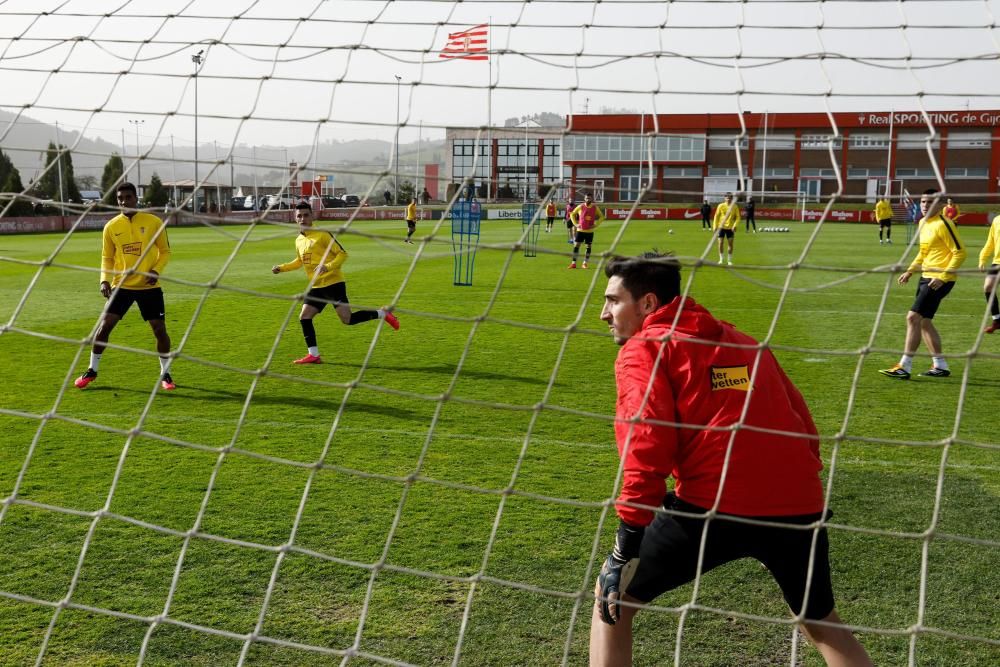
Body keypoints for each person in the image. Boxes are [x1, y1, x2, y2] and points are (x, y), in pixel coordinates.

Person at [590, 252, 874, 667]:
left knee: (611, 598)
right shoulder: (742, 340)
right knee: (821, 620)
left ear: (648, 304)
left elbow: (645, 443)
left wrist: (626, 544)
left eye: (613, 300)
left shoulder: (644, 349)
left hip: (712, 507)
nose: (603, 314)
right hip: (799, 506)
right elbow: (802, 422)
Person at [74, 182, 176, 391]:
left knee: (159, 330)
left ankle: (165, 374)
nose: (124, 201)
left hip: (149, 286)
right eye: (120, 198)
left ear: (135, 198)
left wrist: (155, 271)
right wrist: (104, 280)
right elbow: (107, 257)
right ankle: (92, 370)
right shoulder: (111, 226)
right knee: (104, 327)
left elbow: (165, 251)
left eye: (128, 197)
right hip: (121, 286)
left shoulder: (153, 222)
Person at [271, 203, 400, 364]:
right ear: (295, 218)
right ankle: (314, 355)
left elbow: (342, 254)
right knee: (304, 317)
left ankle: (383, 313)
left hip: (333, 283)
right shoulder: (298, 240)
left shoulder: (322, 234)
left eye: (306, 215)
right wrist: (281, 268)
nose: (302, 218)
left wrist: (327, 266)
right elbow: (299, 262)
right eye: (299, 216)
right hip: (316, 287)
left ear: (312, 216)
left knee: (347, 319)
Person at [879, 190, 966, 379]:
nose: (925, 205)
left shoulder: (945, 224)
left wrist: (943, 276)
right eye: (923, 201)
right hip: (926, 276)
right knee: (924, 322)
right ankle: (940, 365)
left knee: (912, 318)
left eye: (930, 202)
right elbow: (924, 252)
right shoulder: (922, 222)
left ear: (940, 204)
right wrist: (910, 270)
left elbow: (960, 252)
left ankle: (904, 366)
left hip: (940, 280)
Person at [568, 193, 605, 269]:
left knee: (588, 247)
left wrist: (596, 224)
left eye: (589, 198)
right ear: (584, 199)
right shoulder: (580, 206)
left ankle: (585, 263)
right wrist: (575, 224)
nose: (588, 199)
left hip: (589, 231)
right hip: (580, 231)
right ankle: (573, 263)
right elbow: (572, 214)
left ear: (592, 199)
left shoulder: (595, 207)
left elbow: (602, 217)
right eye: (587, 198)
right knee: (576, 246)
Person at [979, 213, 1000, 334]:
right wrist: (982, 258)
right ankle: (997, 320)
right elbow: (990, 242)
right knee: (988, 286)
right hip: (997, 261)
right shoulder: (997, 220)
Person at [712, 192, 741, 265]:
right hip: (721, 227)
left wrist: (735, 225)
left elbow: (738, 217)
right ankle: (721, 259)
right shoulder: (720, 206)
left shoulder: (735, 206)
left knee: (730, 244)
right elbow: (716, 216)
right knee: (720, 243)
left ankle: (729, 260)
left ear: (732, 199)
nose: (728, 199)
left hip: (730, 228)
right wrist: (715, 226)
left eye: (730, 198)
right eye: (727, 198)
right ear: (724, 198)